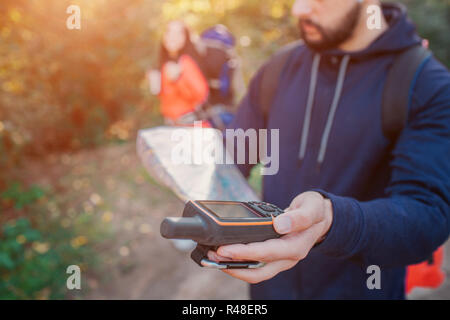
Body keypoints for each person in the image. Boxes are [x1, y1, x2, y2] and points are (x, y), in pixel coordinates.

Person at [207, 0, 450, 299]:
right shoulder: (279, 68)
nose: (300, 9)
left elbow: (427, 215)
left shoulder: (427, 84)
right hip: (269, 292)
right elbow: (232, 160)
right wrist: (190, 165)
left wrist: (332, 221)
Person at [157, 21, 209, 126]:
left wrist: (178, 79)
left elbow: (201, 96)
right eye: (169, 32)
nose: (172, 37)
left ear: (186, 38)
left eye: (178, 33)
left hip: (191, 128)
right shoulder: (166, 63)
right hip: (173, 126)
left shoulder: (186, 62)